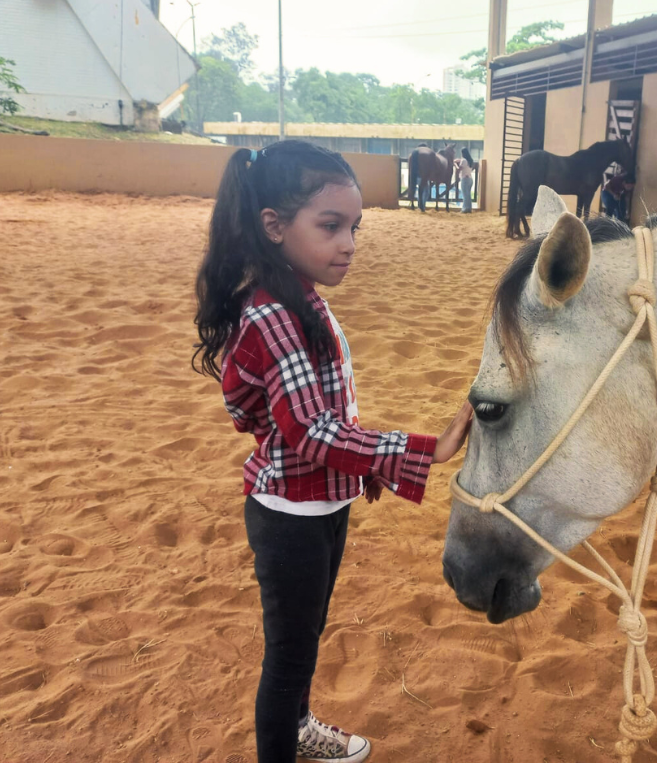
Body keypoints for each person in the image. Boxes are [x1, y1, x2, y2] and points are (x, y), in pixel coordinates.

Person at [192, 141, 474, 763]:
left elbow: (274, 414)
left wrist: (357, 469)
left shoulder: (299, 297)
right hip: (288, 516)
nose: (348, 243)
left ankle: (297, 731)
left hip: (318, 505)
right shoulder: (271, 313)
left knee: (306, 638)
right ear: (274, 226)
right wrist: (429, 448)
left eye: (354, 228)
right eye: (330, 226)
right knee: (289, 655)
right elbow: (314, 433)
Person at [454, 147, 476, 213]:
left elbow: (459, 169)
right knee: (468, 195)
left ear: (462, 153)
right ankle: (469, 208)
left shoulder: (463, 161)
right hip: (470, 179)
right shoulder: (470, 160)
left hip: (465, 179)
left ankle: (465, 209)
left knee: (465, 195)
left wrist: (455, 165)